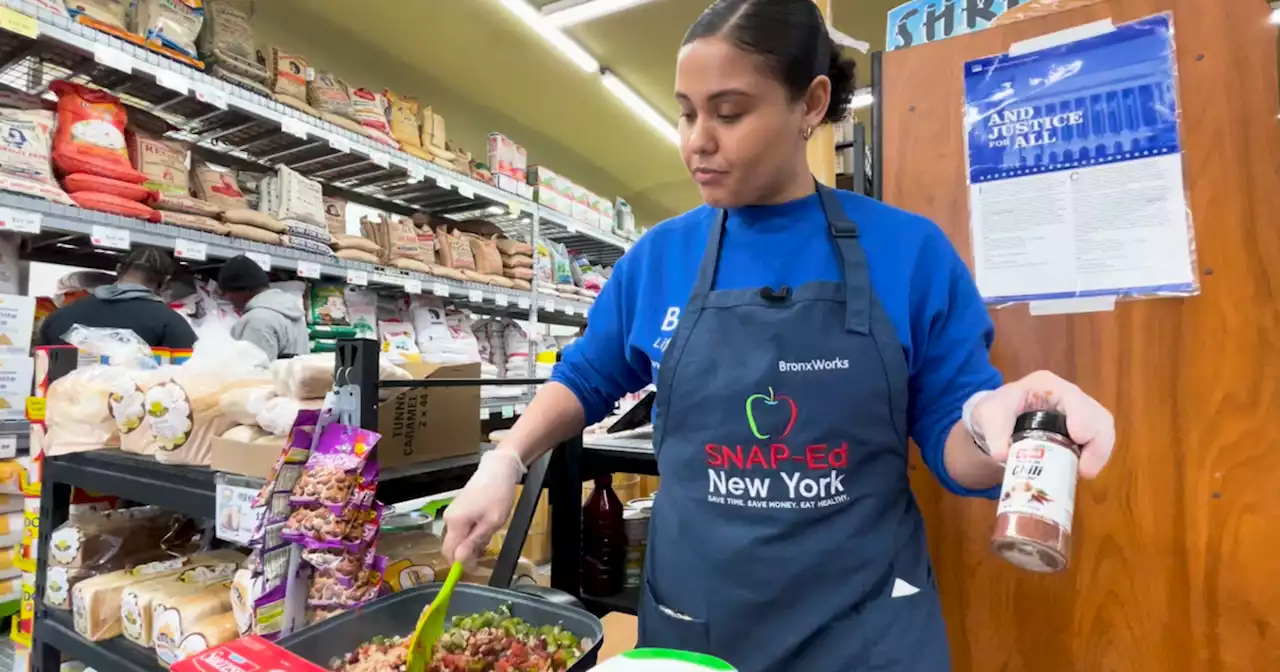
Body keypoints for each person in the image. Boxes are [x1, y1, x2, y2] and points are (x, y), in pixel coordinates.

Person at [442, 1, 1117, 670]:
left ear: (811, 103)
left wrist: (996, 424)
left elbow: (956, 448)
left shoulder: (908, 253)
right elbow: (588, 377)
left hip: (864, 632)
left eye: (729, 113)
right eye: (686, 111)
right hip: (695, 628)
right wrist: (507, 458)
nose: (697, 140)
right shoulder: (660, 258)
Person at [38, 246, 196, 349]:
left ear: (118, 270)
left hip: (63, 399)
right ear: (165, 282)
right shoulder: (172, 324)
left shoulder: (60, 316)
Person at [217, 255, 308, 361]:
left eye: (226, 292)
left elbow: (253, 372)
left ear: (245, 289)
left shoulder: (258, 320)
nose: (226, 298)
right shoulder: (291, 312)